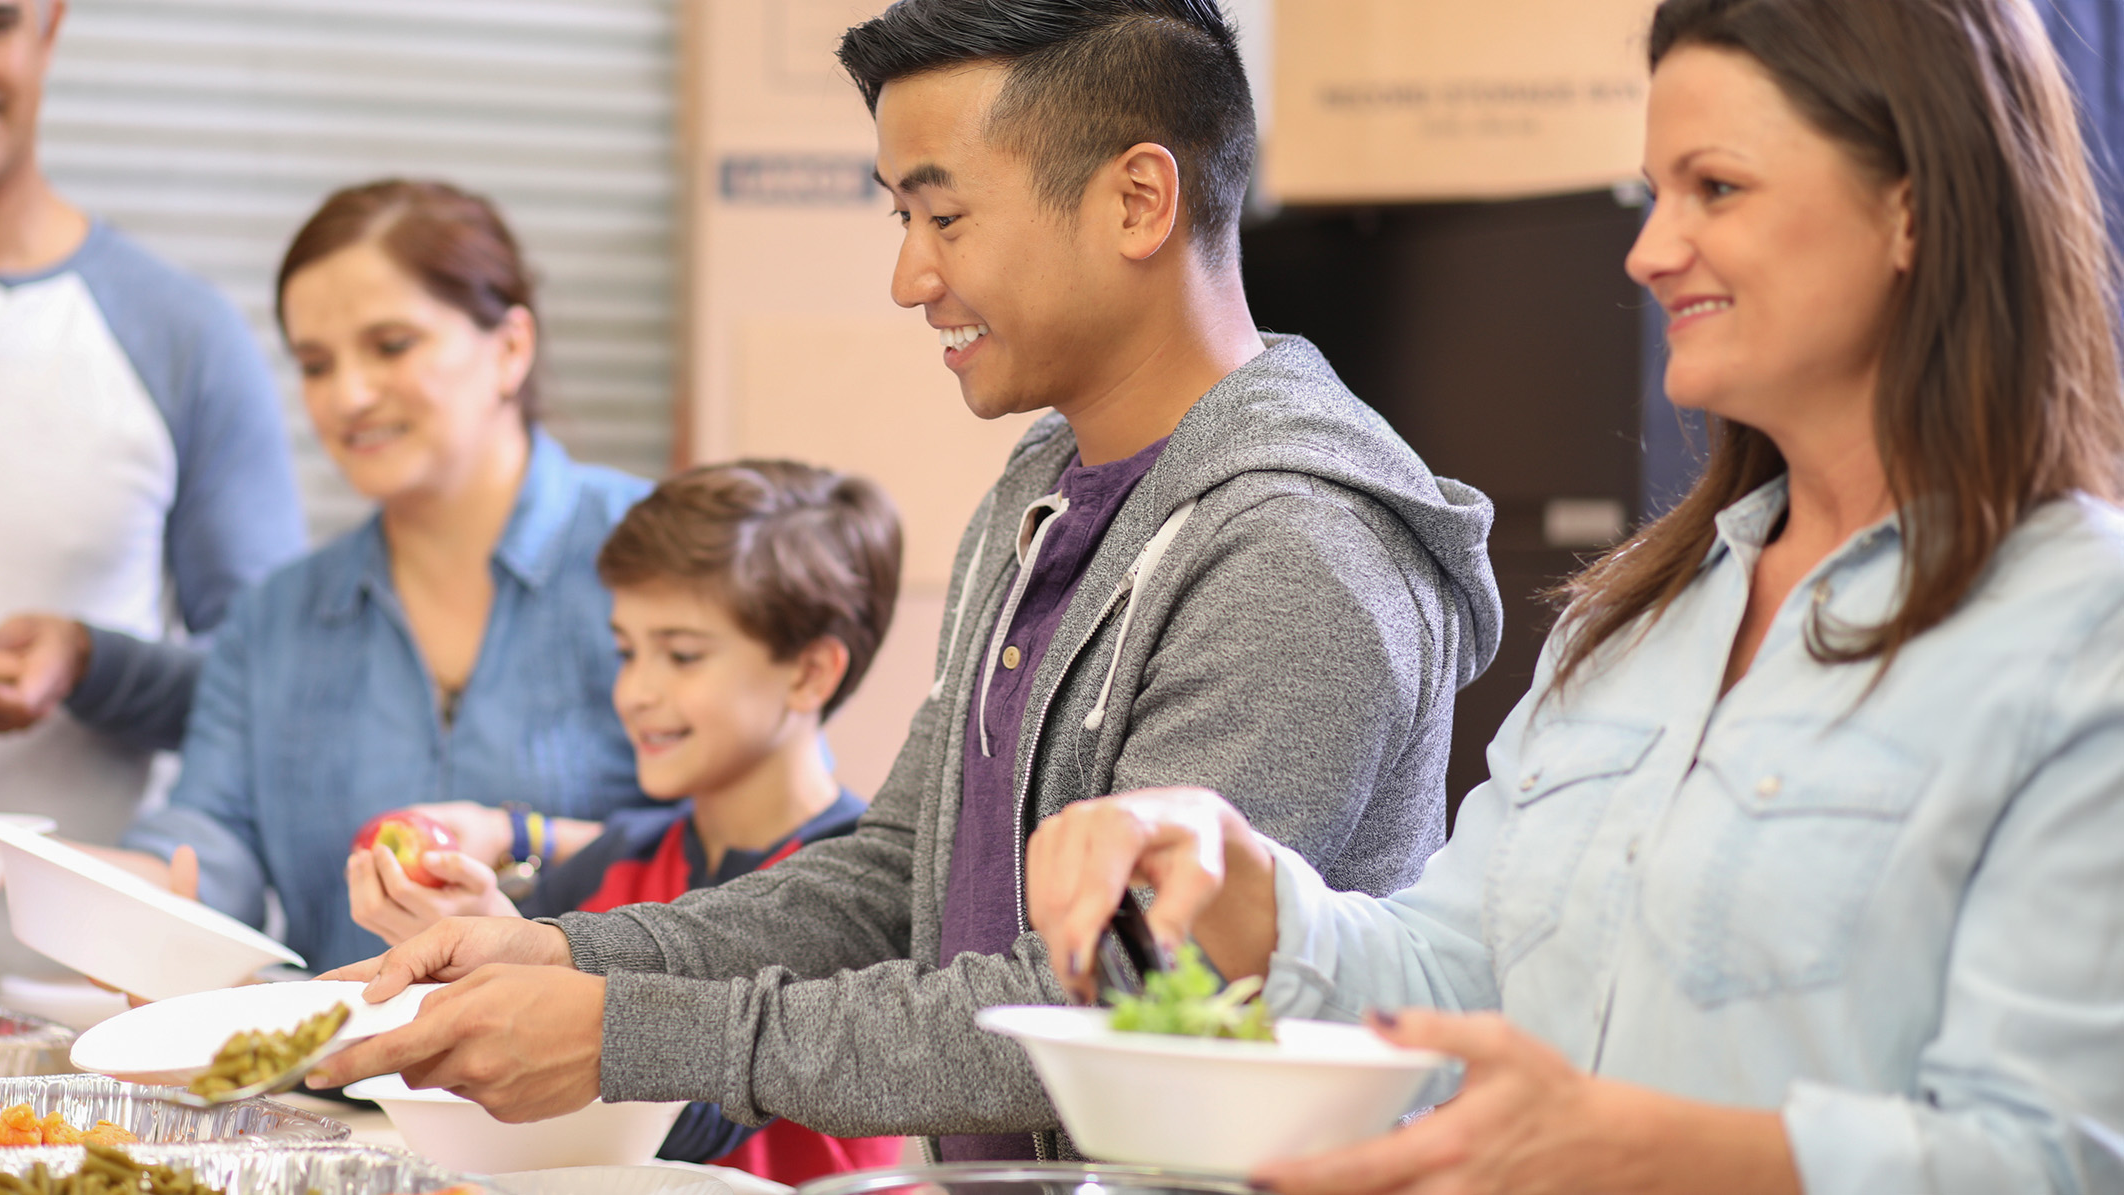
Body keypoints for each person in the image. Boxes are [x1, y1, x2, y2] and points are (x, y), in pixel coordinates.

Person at [309, 0, 1502, 1164]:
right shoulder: (1043, 489)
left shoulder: (1300, 548)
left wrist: (632, 1032)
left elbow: (1106, 1007)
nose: (909, 277)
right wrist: (568, 958)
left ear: (1139, 200)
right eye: (902, 218)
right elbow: (893, 880)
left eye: (943, 216)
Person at [1021, 0, 2124, 1191]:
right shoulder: (1632, 623)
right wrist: (1247, 892)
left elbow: (2055, 1155)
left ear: (1912, 204)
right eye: (1658, 191)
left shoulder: (2080, 633)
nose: (1650, 249)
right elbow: (1455, 978)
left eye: (1718, 188)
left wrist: (1647, 1155)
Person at [84, 179, 661, 975]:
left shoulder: (666, 556)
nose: (347, 397)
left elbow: (765, 849)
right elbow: (206, 854)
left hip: (621, 1088)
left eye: (392, 345)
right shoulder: (275, 620)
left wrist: (520, 837)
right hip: (352, 1090)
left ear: (510, 349)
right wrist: (1, 855)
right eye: (316, 364)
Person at [348, 460, 908, 1185]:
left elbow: (701, 1106)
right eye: (626, 651)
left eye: (681, 654)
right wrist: (476, 939)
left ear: (810, 673)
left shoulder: (865, 896)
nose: (637, 691)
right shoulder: (619, 860)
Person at [0, 0, 304, 836]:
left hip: (77, 963)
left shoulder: (185, 335)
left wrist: (88, 664)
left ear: (50, 26)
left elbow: (276, 689)